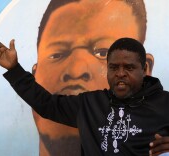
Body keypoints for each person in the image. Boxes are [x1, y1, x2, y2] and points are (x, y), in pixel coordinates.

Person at [0, 37, 169, 156]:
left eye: (129, 67)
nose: (120, 74)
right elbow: (47, 105)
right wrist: (15, 70)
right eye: (114, 67)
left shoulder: (168, 105)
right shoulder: (90, 104)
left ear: (144, 69)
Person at [33, 0, 154, 155]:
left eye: (103, 53)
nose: (76, 70)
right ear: (33, 77)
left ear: (144, 72)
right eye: (57, 55)